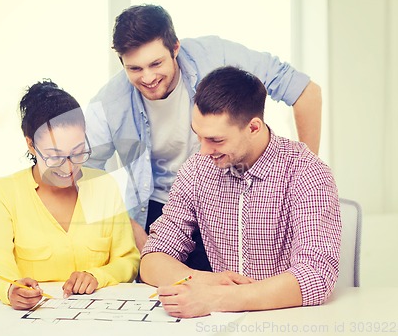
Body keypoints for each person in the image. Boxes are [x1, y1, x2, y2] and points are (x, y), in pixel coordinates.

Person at [85, 4, 322, 270]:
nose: (148, 77)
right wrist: (127, 226)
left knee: (243, 286)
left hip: (226, 200)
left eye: (156, 63)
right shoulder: (110, 102)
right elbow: (83, 170)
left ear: (175, 47)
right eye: (135, 69)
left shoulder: (218, 57)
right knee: (165, 288)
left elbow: (306, 93)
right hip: (161, 211)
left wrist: (304, 177)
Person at [139, 66, 341, 318]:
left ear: (254, 128)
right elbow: (153, 258)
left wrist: (218, 298)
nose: (203, 152)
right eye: (198, 136)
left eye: (216, 140)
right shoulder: (196, 170)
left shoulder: (307, 172)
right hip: (222, 321)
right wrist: (205, 281)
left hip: (288, 318)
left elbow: (317, 275)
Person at [0, 80, 139, 310]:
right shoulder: (4, 193)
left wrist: (97, 275)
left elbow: (129, 260)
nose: (68, 169)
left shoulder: (105, 186)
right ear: (31, 146)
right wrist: (10, 288)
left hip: (98, 318)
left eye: (78, 153)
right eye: (55, 157)